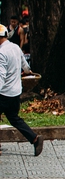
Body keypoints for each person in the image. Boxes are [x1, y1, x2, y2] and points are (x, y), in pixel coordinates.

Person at [0, 24, 43, 157]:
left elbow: (1, 76)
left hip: (4, 93)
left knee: (14, 118)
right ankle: (35, 138)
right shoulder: (16, 48)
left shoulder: (1, 53)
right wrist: (27, 72)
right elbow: (26, 67)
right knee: (14, 118)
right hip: (16, 92)